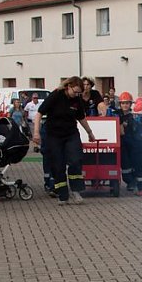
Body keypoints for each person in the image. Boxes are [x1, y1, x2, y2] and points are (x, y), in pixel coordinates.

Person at [32, 76, 97, 205]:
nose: (76, 95)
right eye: (75, 91)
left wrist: (90, 133)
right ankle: (62, 195)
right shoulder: (56, 95)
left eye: (79, 93)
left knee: (75, 160)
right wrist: (36, 132)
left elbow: (81, 117)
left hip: (71, 134)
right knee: (58, 164)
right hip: (54, 135)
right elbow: (39, 113)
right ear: (69, 87)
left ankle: (76, 191)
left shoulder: (76, 100)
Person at [117, 92, 136, 191]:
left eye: (127, 103)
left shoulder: (132, 116)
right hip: (121, 143)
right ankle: (129, 181)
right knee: (125, 163)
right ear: (120, 104)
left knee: (131, 162)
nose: (125, 105)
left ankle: (132, 181)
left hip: (131, 143)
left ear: (130, 104)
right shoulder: (117, 114)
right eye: (123, 103)